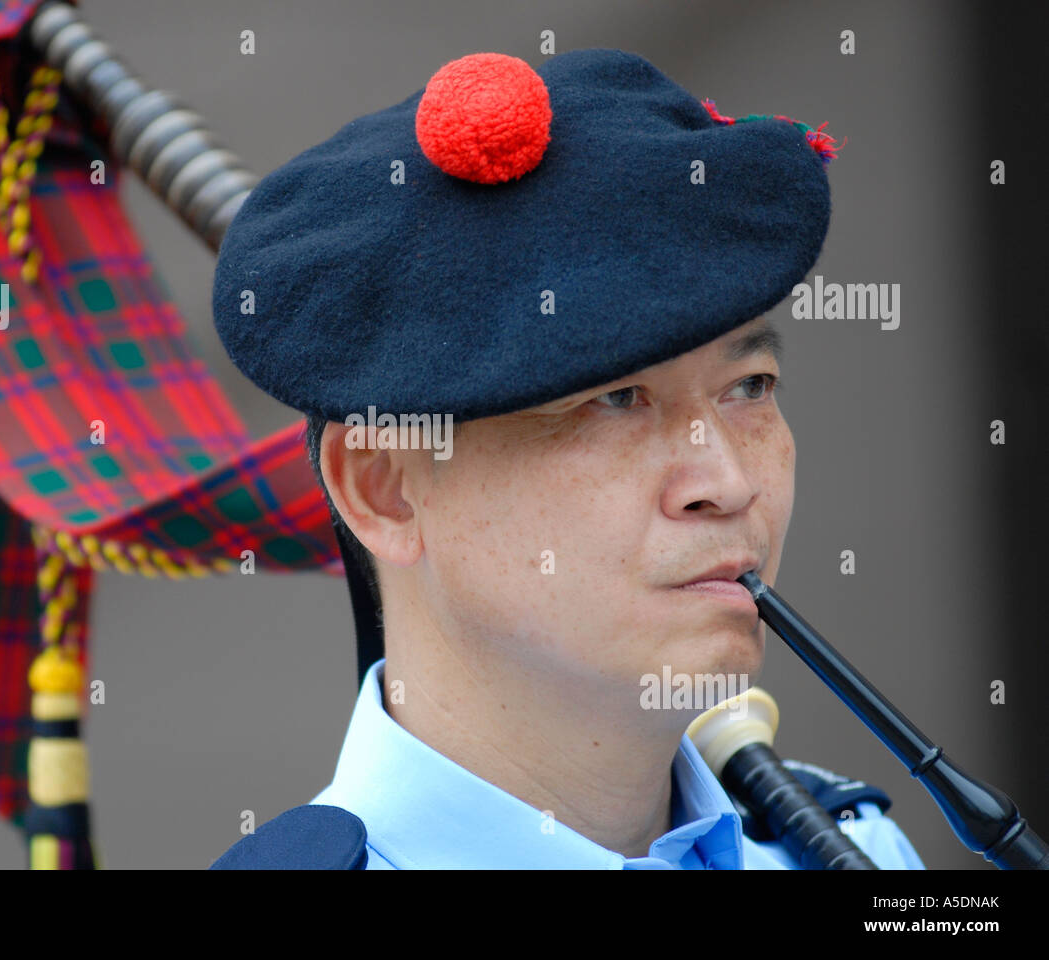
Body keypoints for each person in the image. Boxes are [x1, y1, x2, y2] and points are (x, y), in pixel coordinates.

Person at [208, 48, 925, 869]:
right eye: (614, 399)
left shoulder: (862, 852)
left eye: (750, 385)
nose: (728, 484)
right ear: (386, 488)